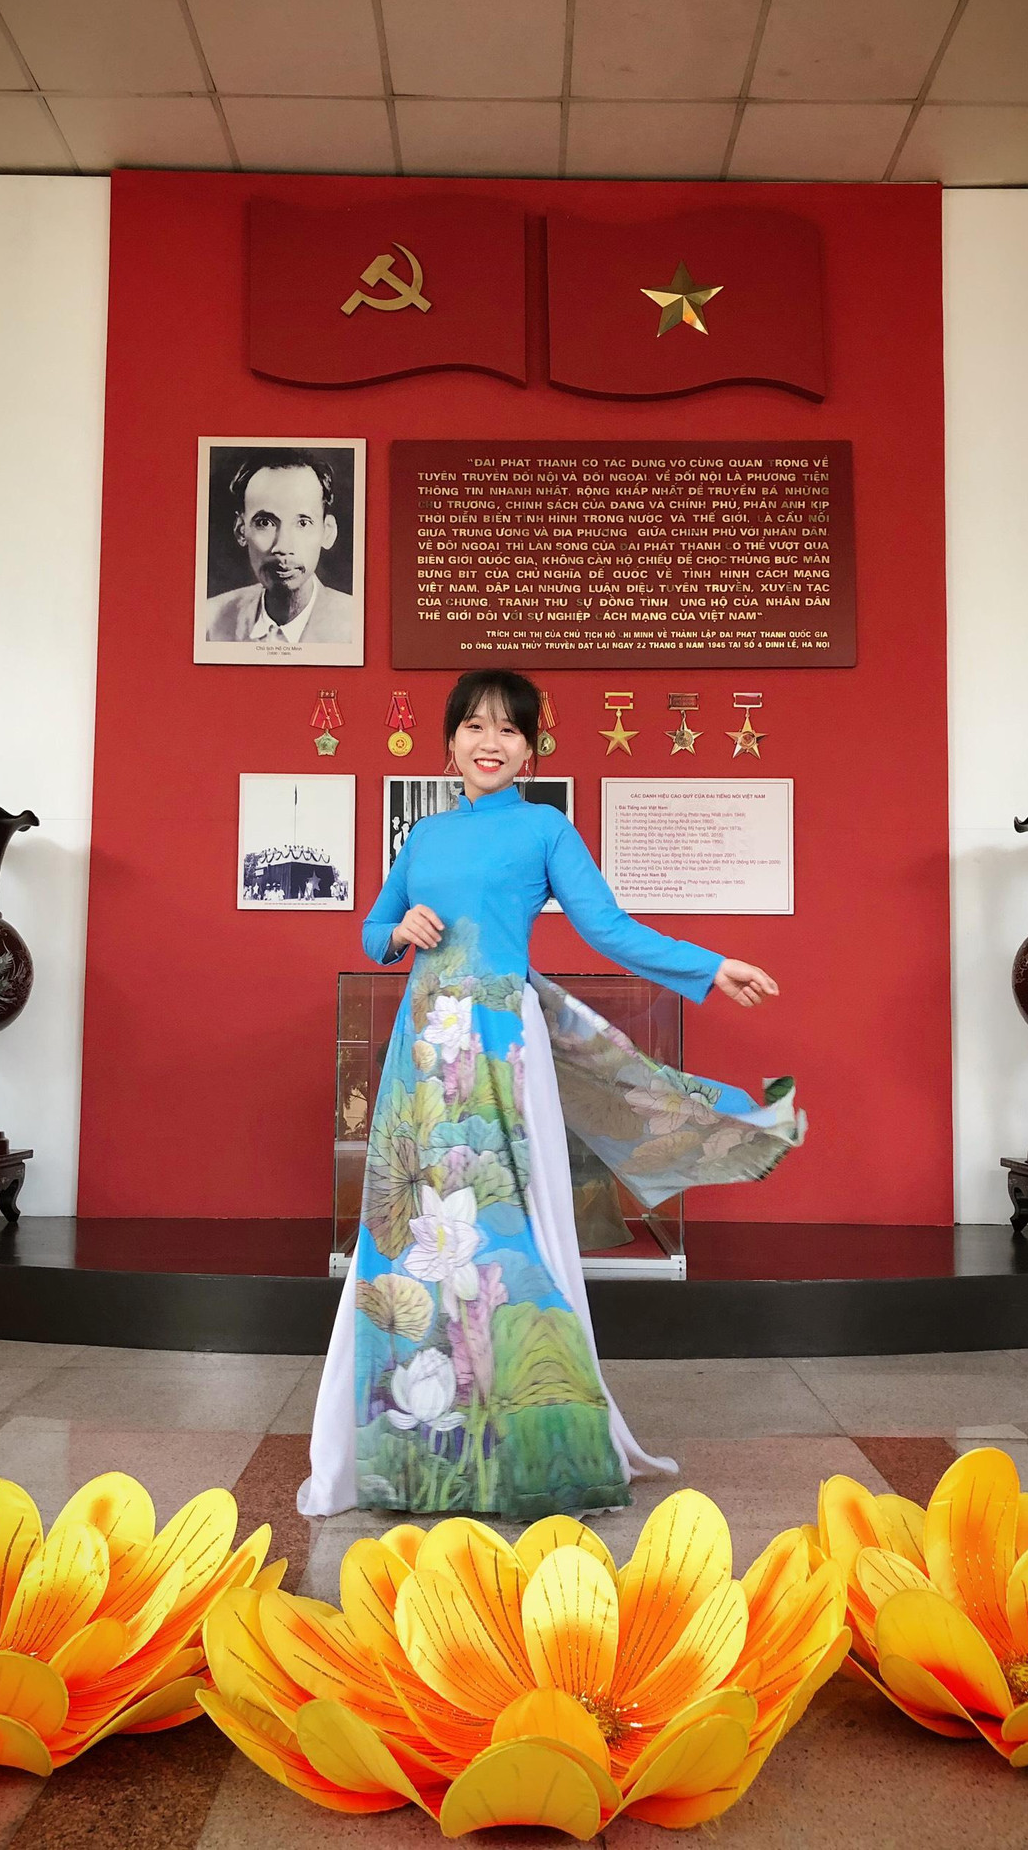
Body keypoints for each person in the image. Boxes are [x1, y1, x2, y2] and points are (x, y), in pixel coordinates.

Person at [298, 669, 806, 1519]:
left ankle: (526, 1446)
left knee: (509, 1226)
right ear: (450, 742)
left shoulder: (544, 828)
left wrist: (711, 966)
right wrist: (398, 930)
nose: (489, 742)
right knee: (408, 1236)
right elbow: (374, 928)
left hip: (503, 1045)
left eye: (509, 729)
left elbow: (608, 929)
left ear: (530, 751)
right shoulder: (424, 837)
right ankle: (410, 1451)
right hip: (423, 1054)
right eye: (474, 726)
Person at [204, 452, 358, 646]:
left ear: (327, 532)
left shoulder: (356, 625)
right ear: (241, 530)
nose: (283, 547)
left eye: (303, 523)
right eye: (264, 523)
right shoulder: (210, 622)